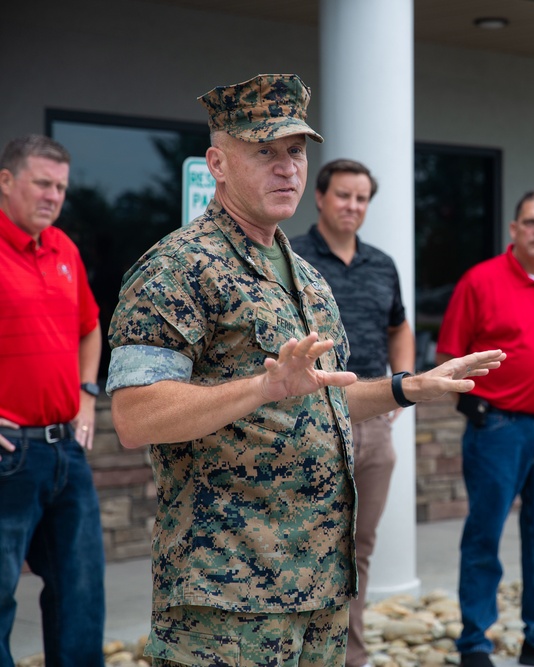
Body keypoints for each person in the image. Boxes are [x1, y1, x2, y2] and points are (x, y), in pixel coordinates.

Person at [105, 74, 505, 667]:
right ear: (217, 162)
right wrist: (262, 387)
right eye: (264, 151)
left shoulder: (306, 275)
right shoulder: (178, 267)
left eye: (295, 151)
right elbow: (136, 417)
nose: (287, 168)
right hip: (230, 597)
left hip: (318, 586)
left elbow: (325, 399)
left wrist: (407, 387)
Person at [436, 191, 534, 667]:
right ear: (514, 228)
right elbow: (450, 358)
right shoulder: (480, 281)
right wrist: (472, 407)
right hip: (497, 429)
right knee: (484, 534)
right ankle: (475, 644)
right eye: (530, 222)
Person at [290, 158, 415, 667]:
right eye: (343, 195)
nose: (353, 206)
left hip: (374, 427)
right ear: (319, 197)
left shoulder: (382, 263)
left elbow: (399, 327)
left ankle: (350, 657)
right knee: (304, 544)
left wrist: (400, 388)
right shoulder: (291, 256)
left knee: (358, 550)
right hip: (309, 426)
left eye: (361, 198)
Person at [0, 135, 105, 667]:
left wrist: (88, 395)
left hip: (66, 451)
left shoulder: (64, 248)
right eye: (42, 183)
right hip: (7, 455)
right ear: (6, 181)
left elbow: (91, 328)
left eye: (60, 186)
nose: (52, 196)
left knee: (80, 594)